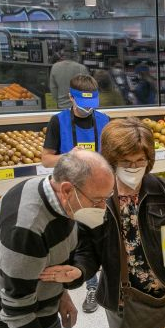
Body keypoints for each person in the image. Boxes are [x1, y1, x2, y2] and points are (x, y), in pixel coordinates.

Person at [45, 118, 165, 328]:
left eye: (140, 160)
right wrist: (78, 271)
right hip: (123, 303)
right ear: (111, 161)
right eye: (126, 162)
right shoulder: (97, 198)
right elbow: (88, 250)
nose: (134, 168)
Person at [0, 150, 114, 328]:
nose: (103, 207)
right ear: (67, 190)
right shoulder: (26, 229)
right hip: (14, 324)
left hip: (40, 307)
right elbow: (15, 310)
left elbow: (51, 258)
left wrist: (62, 295)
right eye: (97, 200)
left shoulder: (63, 201)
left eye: (106, 198)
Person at [41, 74, 111, 314]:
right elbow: (46, 159)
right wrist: (70, 156)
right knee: (79, 242)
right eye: (83, 104)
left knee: (100, 236)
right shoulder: (58, 122)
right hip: (69, 196)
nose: (88, 110)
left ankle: (106, 283)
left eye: (92, 105)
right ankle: (90, 286)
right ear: (71, 97)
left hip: (99, 193)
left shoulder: (104, 121)